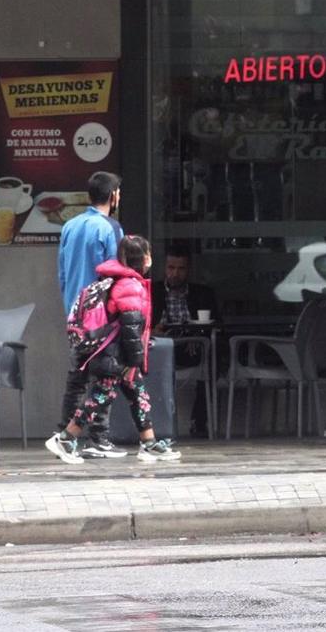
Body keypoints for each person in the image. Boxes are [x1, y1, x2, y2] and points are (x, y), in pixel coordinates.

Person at [46, 235, 181, 464]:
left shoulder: (119, 281)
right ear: (144, 258)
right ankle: (65, 439)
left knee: (138, 395)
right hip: (116, 356)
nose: (150, 258)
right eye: (148, 253)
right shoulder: (130, 286)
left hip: (117, 354)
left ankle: (149, 443)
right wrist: (134, 360)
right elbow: (131, 328)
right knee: (99, 398)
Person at [55, 171, 124, 458]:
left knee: (77, 377)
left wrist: (71, 304)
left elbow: (62, 272)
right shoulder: (110, 228)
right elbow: (116, 273)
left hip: (75, 312)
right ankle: (98, 437)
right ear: (114, 196)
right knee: (104, 376)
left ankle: (64, 435)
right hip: (102, 316)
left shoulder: (69, 226)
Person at [157, 247, 221, 437]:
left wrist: (198, 330)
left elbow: (217, 323)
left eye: (181, 268)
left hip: (193, 347)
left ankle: (199, 421)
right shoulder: (153, 291)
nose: (175, 273)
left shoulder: (202, 293)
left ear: (189, 270)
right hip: (161, 349)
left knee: (213, 361)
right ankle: (155, 424)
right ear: (164, 268)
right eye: (171, 268)